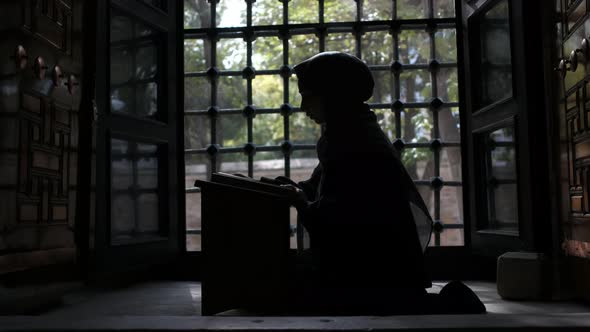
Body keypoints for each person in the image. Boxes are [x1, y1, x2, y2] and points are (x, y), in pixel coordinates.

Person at [276, 52, 485, 315]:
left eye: (308, 95)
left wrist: (299, 201)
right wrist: (295, 191)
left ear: (332, 95)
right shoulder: (351, 131)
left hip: (373, 269)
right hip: (379, 264)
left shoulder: (351, 139)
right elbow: (321, 186)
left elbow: (339, 216)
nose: (303, 106)